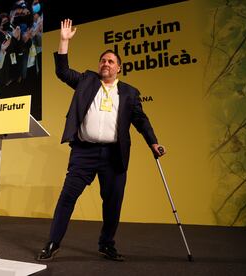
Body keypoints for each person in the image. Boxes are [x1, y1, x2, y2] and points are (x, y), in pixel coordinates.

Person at [36, 19, 166, 262]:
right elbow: (62, 72)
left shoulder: (129, 92)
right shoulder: (87, 80)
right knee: (67, 197)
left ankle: (106, 244)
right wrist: (64, 41)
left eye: (110, 61)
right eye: (103, 60)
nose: (105, 64)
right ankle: (53, 243)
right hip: (83, 152)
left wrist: (153, 143)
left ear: (119, 68)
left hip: (114, 155)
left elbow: (141, 120)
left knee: (113, 203)